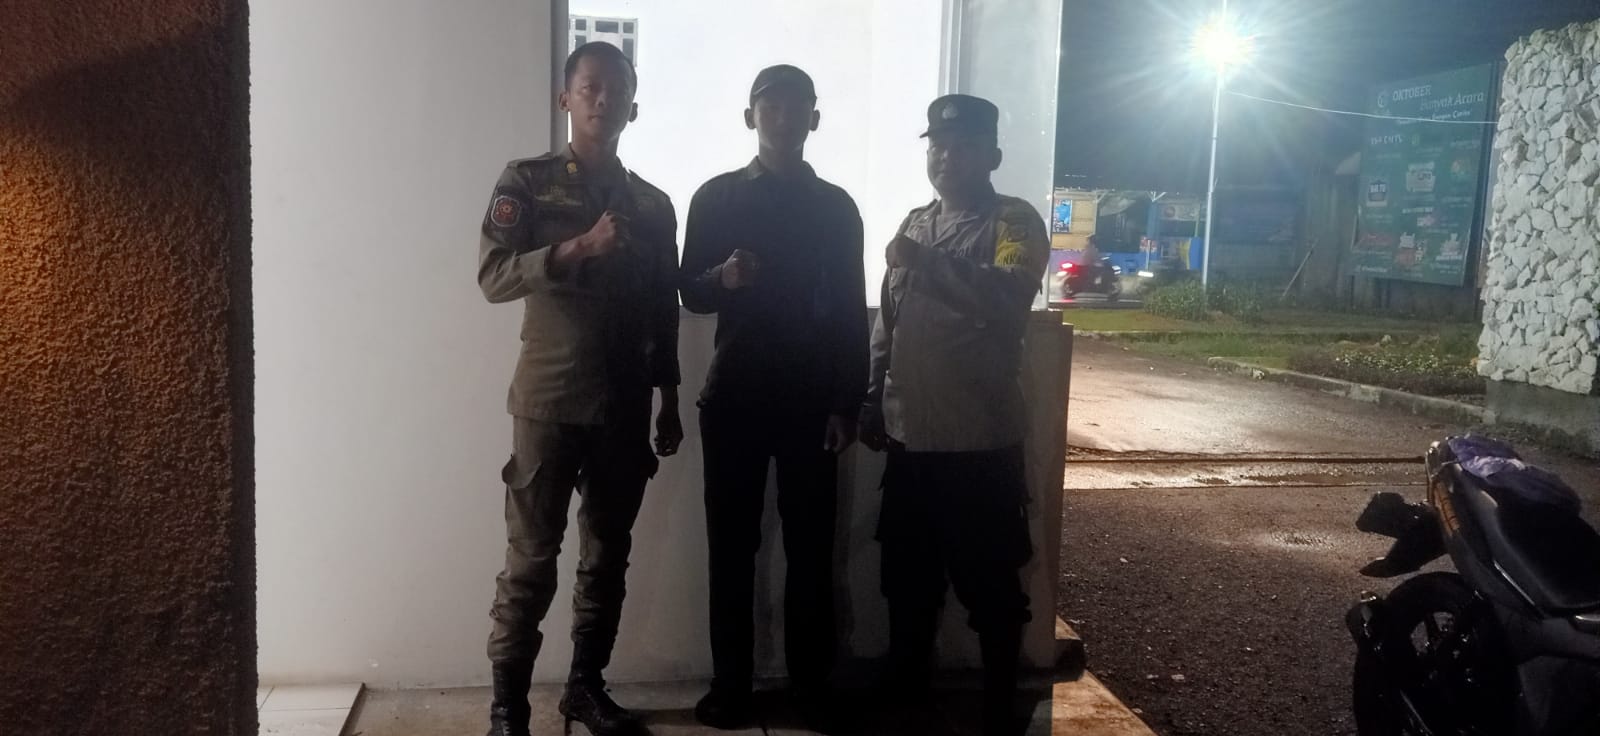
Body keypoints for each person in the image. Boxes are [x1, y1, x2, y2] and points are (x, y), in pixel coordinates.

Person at [476, 41, 682, 736]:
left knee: (606, 558)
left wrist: (669, 397)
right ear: (565, 98)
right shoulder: (528, 182)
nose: (603, 97)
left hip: (624, 406)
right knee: (531, 562)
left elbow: (662, 308)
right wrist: (576, 248)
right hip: (550, 403)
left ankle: (585, 689)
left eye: (616, 87)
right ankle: (507, 710)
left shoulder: (653, 205)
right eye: (590, 85)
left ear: (633, 106)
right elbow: (493, 277)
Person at [679, 64, 867, 732]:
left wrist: (848, 403)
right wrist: (722, 278)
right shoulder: (716, 197)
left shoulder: (837, 207)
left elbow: (851, 310)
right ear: (750, 116)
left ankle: (810, 686)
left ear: (815, 118)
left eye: (796, 108)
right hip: (735, 396)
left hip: (813, 403)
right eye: (771, 106)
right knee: (731, 549)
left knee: (812, 551)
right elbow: (689, 290)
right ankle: (730, 686)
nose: (783, 118)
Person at [859, 94, 1050, 736]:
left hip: (979, 439)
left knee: (991, 580)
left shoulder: (1012, 221)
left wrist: (929, 263)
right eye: (938, 146)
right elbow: (889, 321)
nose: (946, 156)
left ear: (992, 156)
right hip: (910, 436)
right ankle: (907, 684)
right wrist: (872, 393)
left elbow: (1009, 296)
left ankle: (1000, 700)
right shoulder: (915, 222)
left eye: (962, 145)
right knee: (906, 574)